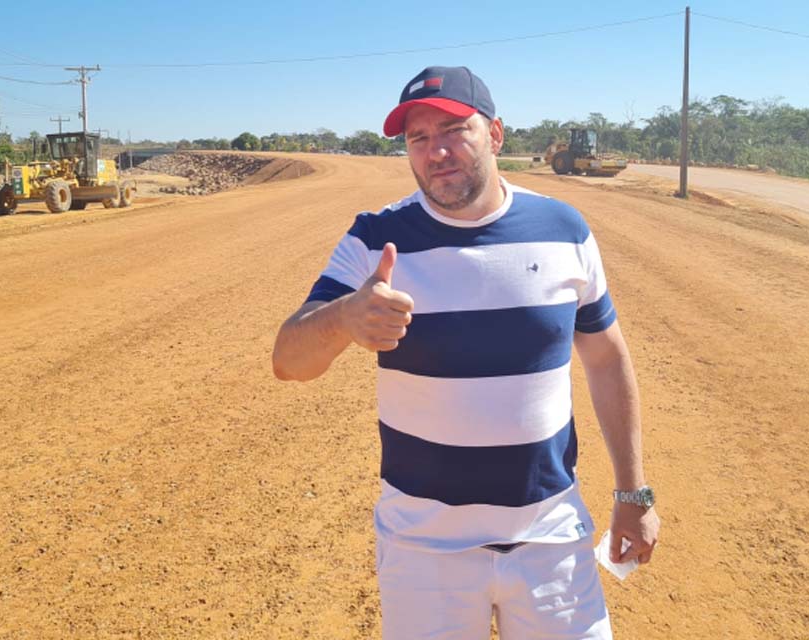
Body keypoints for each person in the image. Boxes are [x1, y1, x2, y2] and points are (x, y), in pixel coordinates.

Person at [272, 66, 660, 639]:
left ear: (496, 134)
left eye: (454, 130)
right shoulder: (376, 238)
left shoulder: (563, 230)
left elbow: (607, 361)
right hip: (424, 548)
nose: (437, 152)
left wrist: (633, 492)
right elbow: (288, 360)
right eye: (419, 138)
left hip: (551, 539)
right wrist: (344, 318)